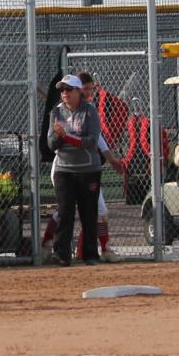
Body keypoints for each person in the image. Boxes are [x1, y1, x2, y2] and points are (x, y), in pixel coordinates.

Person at [40, 69, 115, 261]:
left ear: (77, 91)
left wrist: (68, 137)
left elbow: (91, 140)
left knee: (89, 213)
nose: (65, 93)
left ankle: (91, 254)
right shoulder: (56, 112)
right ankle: (60, 253)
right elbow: (51, 143)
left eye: (69, 89)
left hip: (88, 169)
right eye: (62, 90)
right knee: (65, 211)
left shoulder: (89, 111)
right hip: (64, 168)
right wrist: (58, 136)